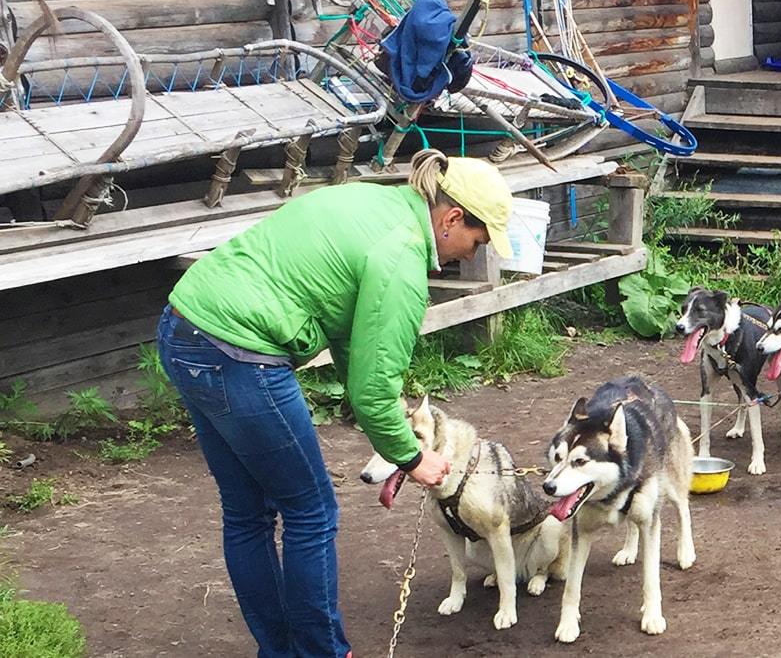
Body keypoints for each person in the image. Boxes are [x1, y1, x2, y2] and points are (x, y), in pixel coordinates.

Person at [158, 148, 515, 657]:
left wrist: (380, 409)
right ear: (452, 218)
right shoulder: (403, 257)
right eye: (476, 241)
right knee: (311, 512)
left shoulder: (372, 202)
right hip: (242, 353)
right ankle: (323, 652)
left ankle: (282, 651)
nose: (472, 254)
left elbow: (355, 338)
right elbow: (372, 390)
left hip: (184, 325)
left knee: (247, 514)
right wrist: (411, 457)